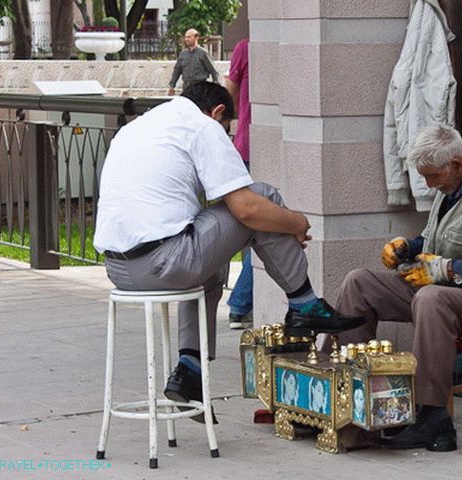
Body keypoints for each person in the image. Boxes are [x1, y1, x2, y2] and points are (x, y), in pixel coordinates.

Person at [93, 81, 364, 424]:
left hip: (119, 269)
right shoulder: (203, 126)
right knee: (264, 197)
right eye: (228, 131)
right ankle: (304, 304)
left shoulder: (140, 126)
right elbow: (248, 209)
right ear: (218, 112)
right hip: (165, 262)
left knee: (212, 265)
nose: (227, 138)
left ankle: (188, 370)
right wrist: (295, 223)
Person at [321, 125, 462, 451]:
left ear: (458, 163)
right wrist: (407, 247)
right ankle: (345, 395)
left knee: (430, 298)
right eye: (424, 176)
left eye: (433, 176)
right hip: (448, 289)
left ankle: (432, 417)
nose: (428, 184)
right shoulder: (449, 183)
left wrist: (448, 269)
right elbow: (439, 239)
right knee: (359, 282)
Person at [224, 38, 253, 329]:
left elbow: (228, 93)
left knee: (250, 229)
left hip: (245, 147)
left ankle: (243, 304)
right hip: (259, 149)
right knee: (259, 228)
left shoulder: (243, 47)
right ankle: (241, 304)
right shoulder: (247, 46)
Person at [168, 29, 220, 96]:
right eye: (185, 37)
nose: (186, 39)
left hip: (200, 87)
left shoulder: (203, 53)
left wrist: (215, 87)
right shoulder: (183, 54)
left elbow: (213, 71)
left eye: (189, 37)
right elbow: (176, 71)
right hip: (186, 87)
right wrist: (172, 86)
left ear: (196, 37)